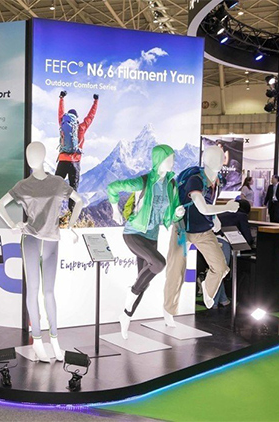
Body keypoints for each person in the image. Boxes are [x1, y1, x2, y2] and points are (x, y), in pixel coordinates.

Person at [0, 142, 83, 363]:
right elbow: (0, 205)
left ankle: (54, 339)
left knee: (49, 292)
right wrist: (13, 225)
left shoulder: (57, 182)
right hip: (31, 240)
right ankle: (37, 339)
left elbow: (79, 201)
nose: (31, 157)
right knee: (33, 291)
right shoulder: (23, 185)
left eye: (34, 153)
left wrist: (70, 226)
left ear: (44, 155)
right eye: (29, 153)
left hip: (52, 241)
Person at [106, 145, 182, 339]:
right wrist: (115, 210)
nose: (171, 162)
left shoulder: (171, 185)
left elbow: (173, 213)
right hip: (134, 233)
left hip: (152, 237)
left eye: (172, 158)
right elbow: (112, 188)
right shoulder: (144, 181)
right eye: (168, 158)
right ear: (158, 160)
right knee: (159, 263)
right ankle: (130, 295)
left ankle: (126, 316)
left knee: (143, 282)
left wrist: (177, 213)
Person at [164, 147, 239, 327]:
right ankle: (169, 310)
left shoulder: (217, 181)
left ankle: (208, 288)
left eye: (220, 157)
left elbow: (209, 203)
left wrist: (215, 218)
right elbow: (202, 207)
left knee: (221, 267)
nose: (218, 160)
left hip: (203, 230)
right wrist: (227, 208)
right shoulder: (195, 180)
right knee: (176, 271)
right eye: (213, 157)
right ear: (205, 159)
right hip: (183, 229)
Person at [55, 91, 98, 213]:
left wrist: (61, 98)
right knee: (73, 189)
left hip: (63, 160)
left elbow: (60, 112)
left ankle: (53, 210)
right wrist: (95, 101)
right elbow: (91, 116)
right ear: (77, 119)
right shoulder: (82, 127)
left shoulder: (62, 122)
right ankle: (71, 214)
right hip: (75, 162)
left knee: (55, 185)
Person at [213, 199, 254, 307]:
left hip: (211, 241)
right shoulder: (241, 215)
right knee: (220, 273)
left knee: (218, 272)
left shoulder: (223, 212)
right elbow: (247, 236)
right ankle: (213, 304)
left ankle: (223, 300)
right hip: (224, 243)